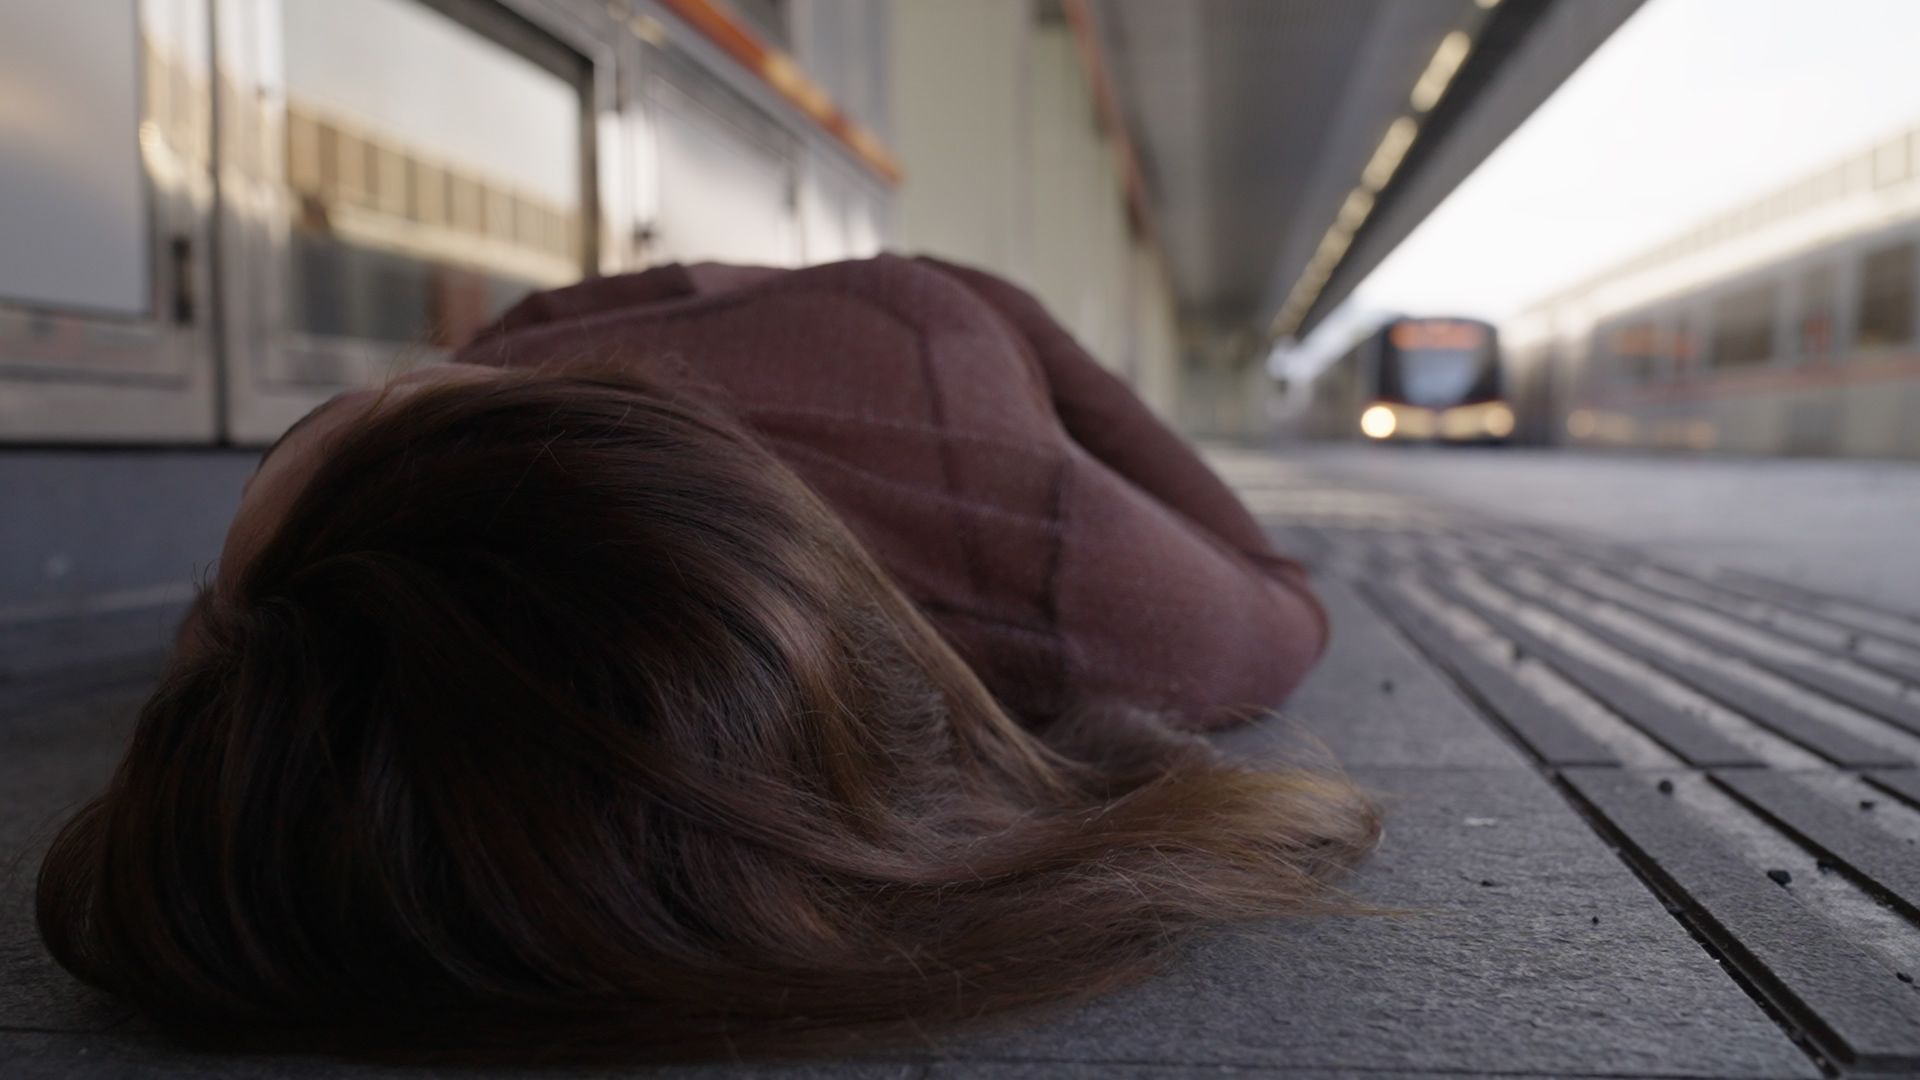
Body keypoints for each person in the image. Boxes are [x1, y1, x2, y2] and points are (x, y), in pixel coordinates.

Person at [36, 254, 1378, 1063]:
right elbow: (1282, 596)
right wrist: (1003, 318)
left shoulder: (375, 612)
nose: (429, 368)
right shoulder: (1099, 591)